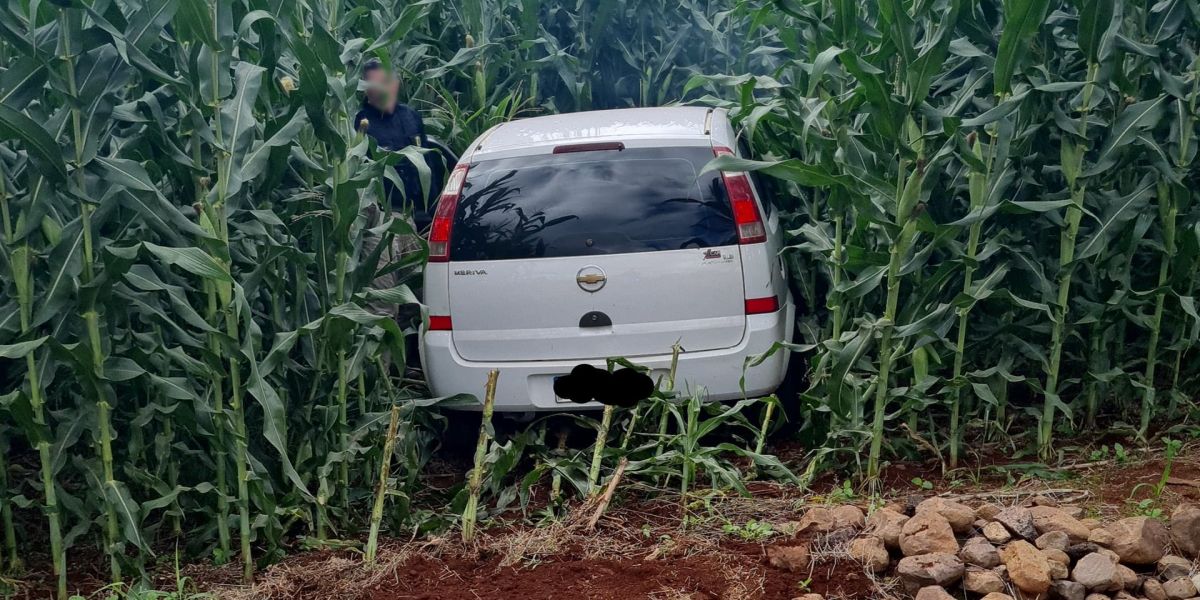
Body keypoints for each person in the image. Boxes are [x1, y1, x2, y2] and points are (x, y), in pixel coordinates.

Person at [354, 58, 443, 232]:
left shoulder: (410, 117)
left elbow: (428, 164)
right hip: (379, 219)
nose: (383, 90)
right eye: (377, 84)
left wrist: (434, 210)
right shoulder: (359, 122)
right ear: (366, 89)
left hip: (413, 217)